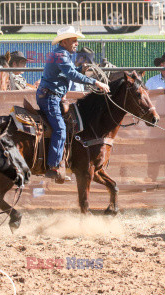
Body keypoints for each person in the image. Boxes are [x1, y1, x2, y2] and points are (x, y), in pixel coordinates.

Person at [37, 26, 110, 181]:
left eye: (76, 40)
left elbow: (68, 72)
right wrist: (96, 82)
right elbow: (71, 75)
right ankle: (53, 166)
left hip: (51, 96)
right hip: (50, 98)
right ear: (64, 42)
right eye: (74, 40)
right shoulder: (61, 55)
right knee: (60, 130)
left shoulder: (61, 54)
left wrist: (79, 69)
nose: (77, 43)